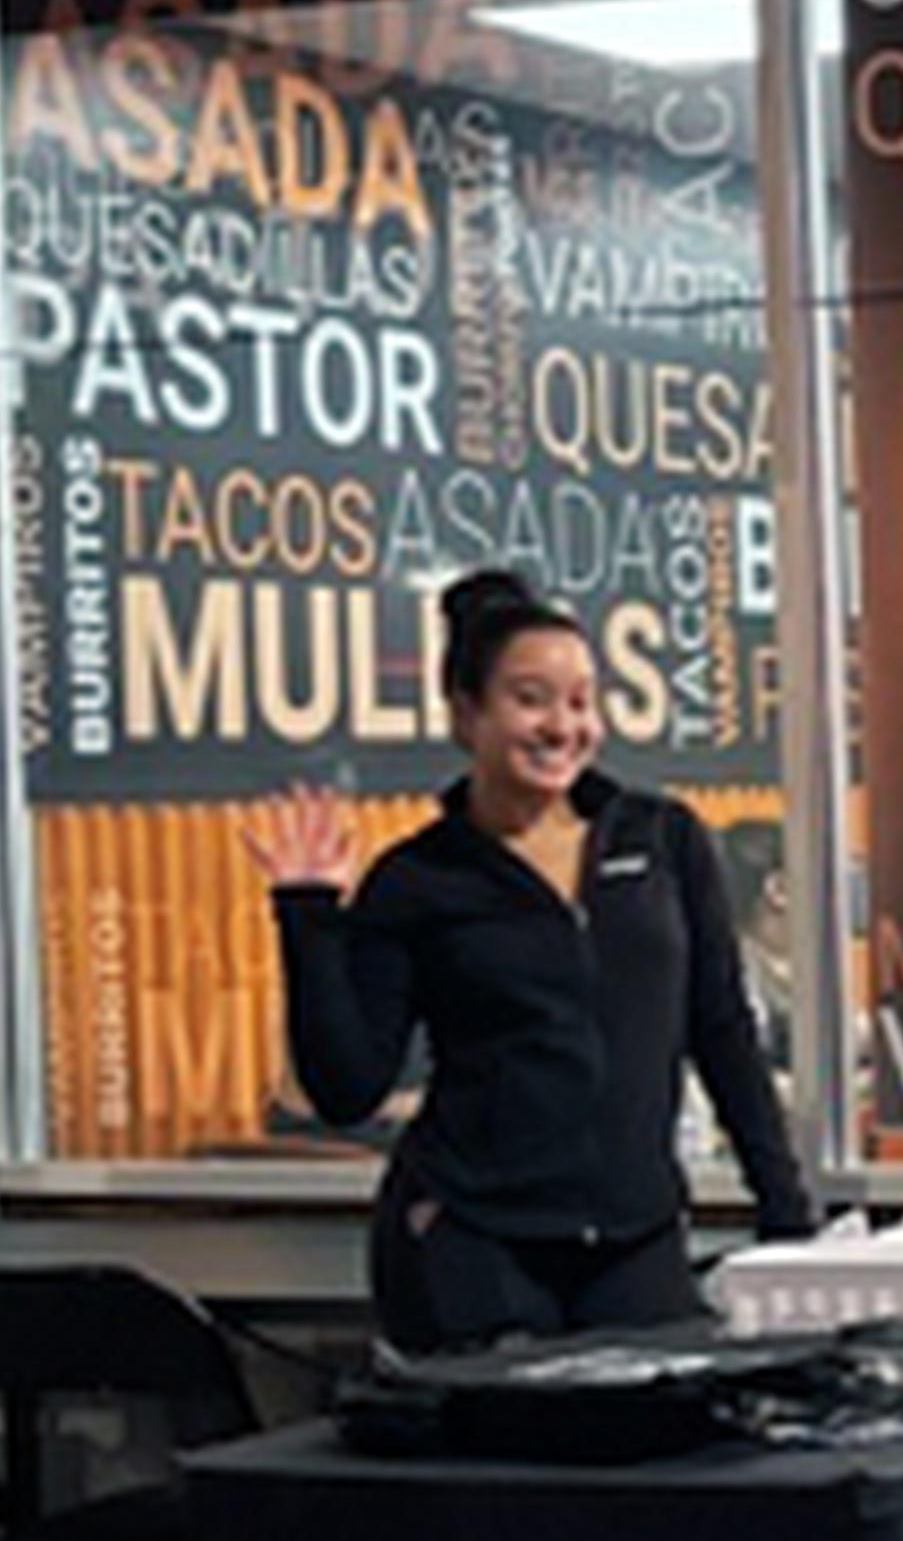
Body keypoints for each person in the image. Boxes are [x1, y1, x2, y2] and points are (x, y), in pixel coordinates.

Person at [250, 568, 814, 1353]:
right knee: (507, 1471)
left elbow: (721, 1031)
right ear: (465, 713)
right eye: (531, 699)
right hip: (473, 1244)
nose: (563, 726)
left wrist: (786, 1215)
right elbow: (346, 1089)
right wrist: (308, 919)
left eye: (581, 701)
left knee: (674, 1456)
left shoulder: (662, 839)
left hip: (637, 1243)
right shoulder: (418, 880)